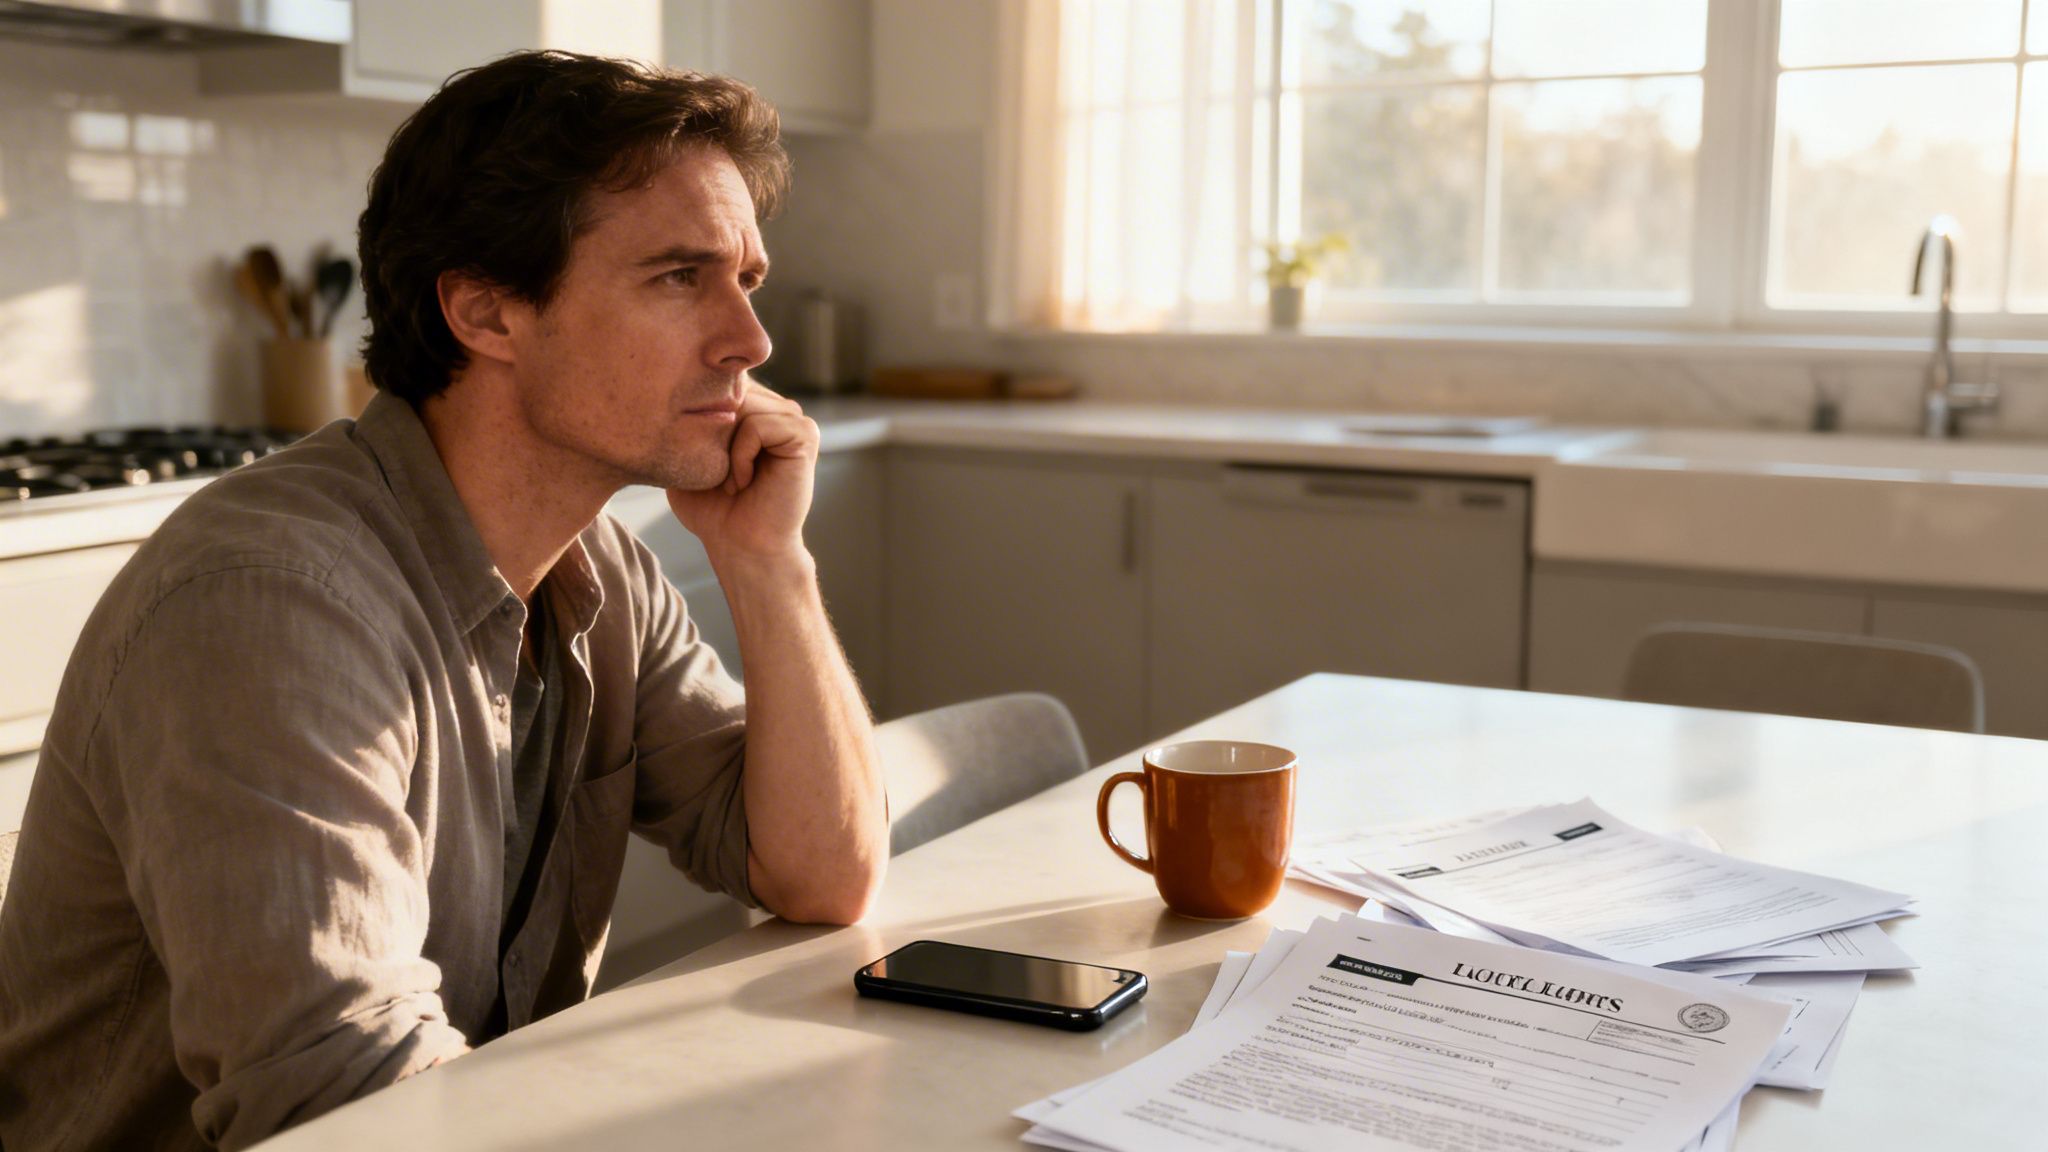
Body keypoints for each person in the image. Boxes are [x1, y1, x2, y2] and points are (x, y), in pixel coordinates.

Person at [0, 50, 887, 1151]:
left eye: (743, 280)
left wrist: (771, 565)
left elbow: (818, 873)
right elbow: (348, 1106)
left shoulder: (599, 566)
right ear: (485, 313)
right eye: (676, 277)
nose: (751, 342)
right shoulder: (273, 606)